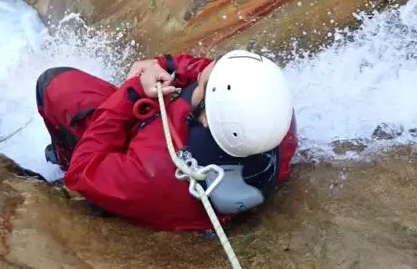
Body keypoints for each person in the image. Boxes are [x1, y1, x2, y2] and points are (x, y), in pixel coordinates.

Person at [35, 49, 299, 232]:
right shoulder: (269, 117)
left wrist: (133, 92)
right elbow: (212, 73)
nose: (206, 68)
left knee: (55, 85)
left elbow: (84, 170)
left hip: (137, 159)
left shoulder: (153, 173)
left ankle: (62, 157)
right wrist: (164, 65)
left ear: (206, 118)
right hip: (157, 147)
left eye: (206, 81)